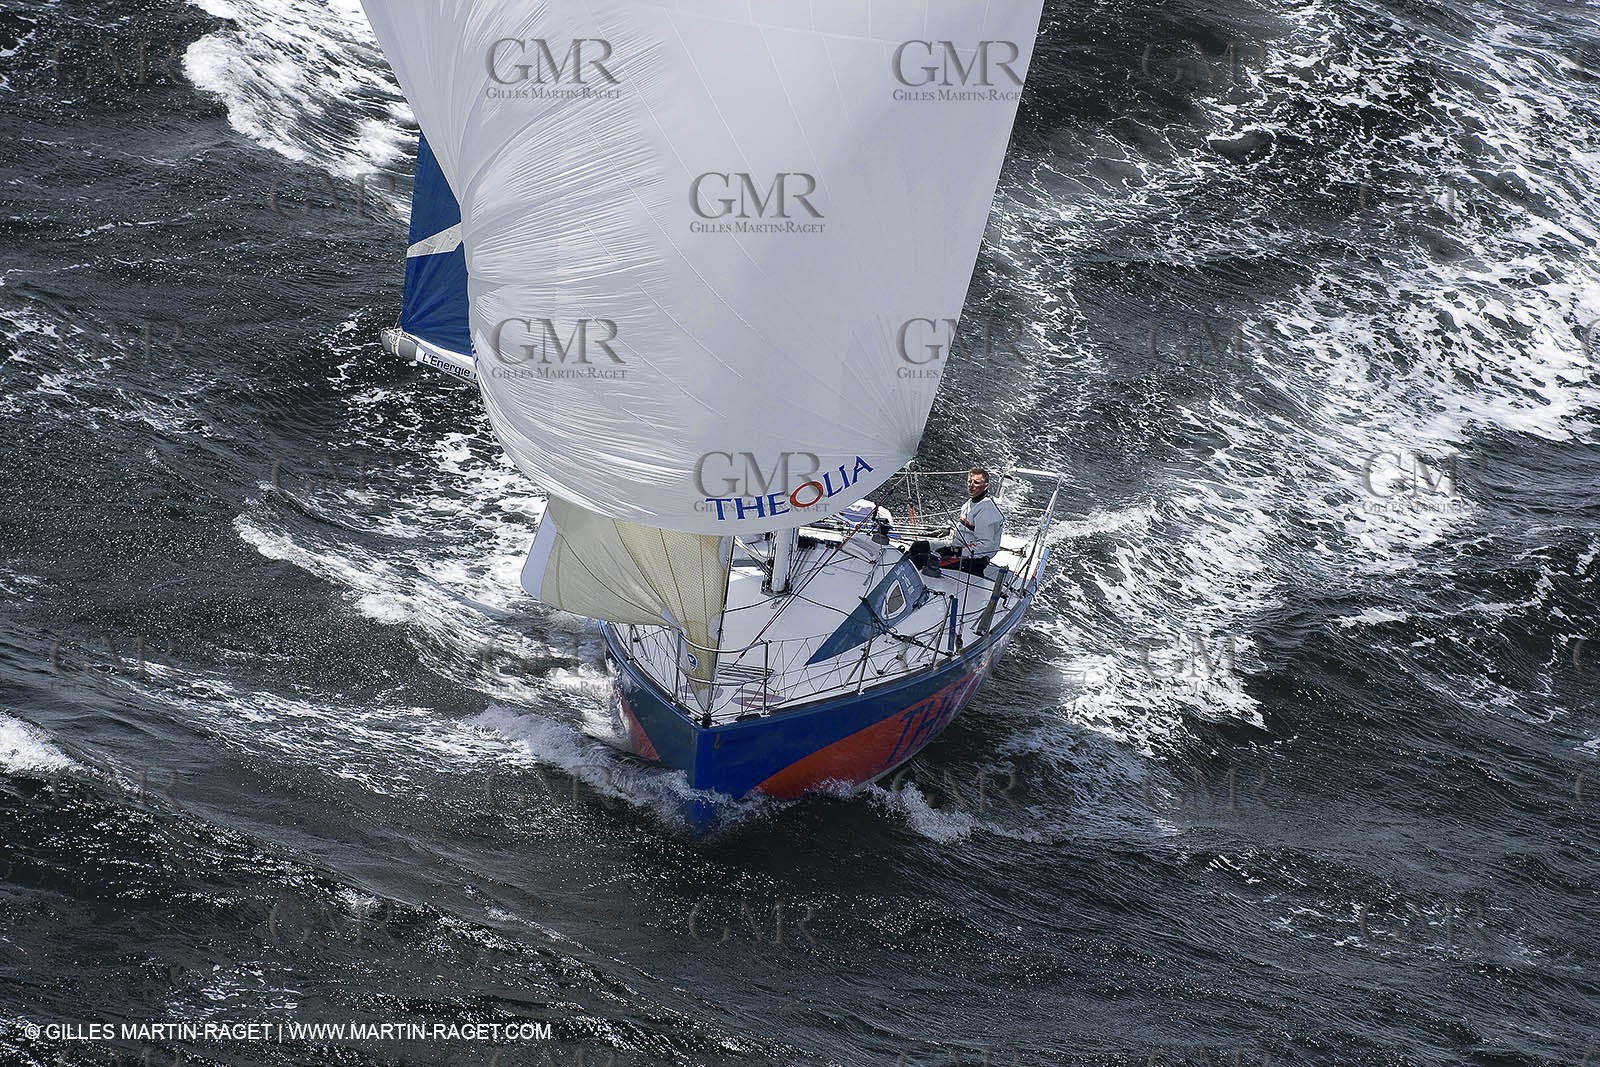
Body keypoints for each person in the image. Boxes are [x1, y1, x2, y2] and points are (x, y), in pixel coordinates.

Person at [908, 468, 1004, 577]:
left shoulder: (986, 511)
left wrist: (952, 551)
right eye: (970, 481)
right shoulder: (972, 502)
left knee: (920, 559)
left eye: (976, 483)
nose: (971, 485)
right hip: (957, 546)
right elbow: (966, 531)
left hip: (972, 559)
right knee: (918, 546)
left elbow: (984, 547)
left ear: (986, 486)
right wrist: (949, 532)